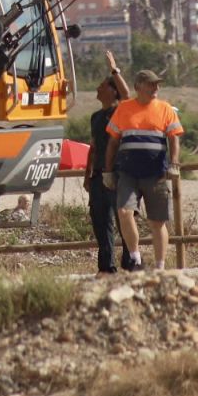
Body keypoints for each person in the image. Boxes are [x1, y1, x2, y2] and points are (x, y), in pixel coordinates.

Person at [103, 68, 183, 271]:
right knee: (123, 211)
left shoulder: (165, 109)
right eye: (151, 84)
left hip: (155, 173)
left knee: (157, 222)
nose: (156, 88)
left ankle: (160, 266)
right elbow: (113, 142)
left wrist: (174, 163)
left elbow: (174, 137)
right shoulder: (124, 108)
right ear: (138, 87)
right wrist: (108, 171)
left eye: (157, 84)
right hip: (128, 172)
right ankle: (135, 257)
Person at [85, 49, 133, 274]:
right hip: (97, 178)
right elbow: (93, 147)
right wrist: (87, 175)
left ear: (112, 91)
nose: (97, 88)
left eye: (102, 86)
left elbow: (127, 95)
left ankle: (130, 262)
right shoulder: (95, 117)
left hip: (118, 175)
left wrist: (114, 69)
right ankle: (106, 268)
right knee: (101, 223)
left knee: (124, 221)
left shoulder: (120, 111)